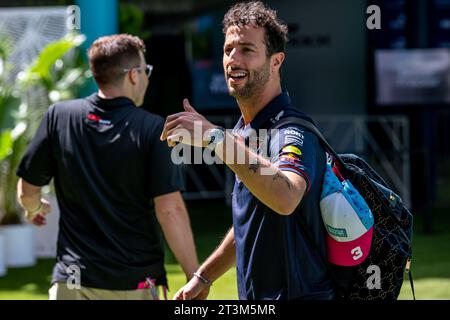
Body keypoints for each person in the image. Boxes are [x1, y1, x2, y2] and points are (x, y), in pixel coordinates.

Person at [161, 1, 334, 300]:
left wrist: (216, 138)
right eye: (228, 49)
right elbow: (253, 220)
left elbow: (285, 197)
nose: (233, 59)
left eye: (247, 50)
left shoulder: (291, 130)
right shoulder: (247, 131)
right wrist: (204, 277)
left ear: (276, 61)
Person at [16, 34, 198, 300]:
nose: (147, 78)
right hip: (134, 283)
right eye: (145, 70)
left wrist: (33, 208)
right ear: (134, 75)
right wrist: (195, 276)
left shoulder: (59, 117)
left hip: (73, 280)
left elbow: (28, 189)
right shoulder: (153, 129)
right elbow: (170, 210)